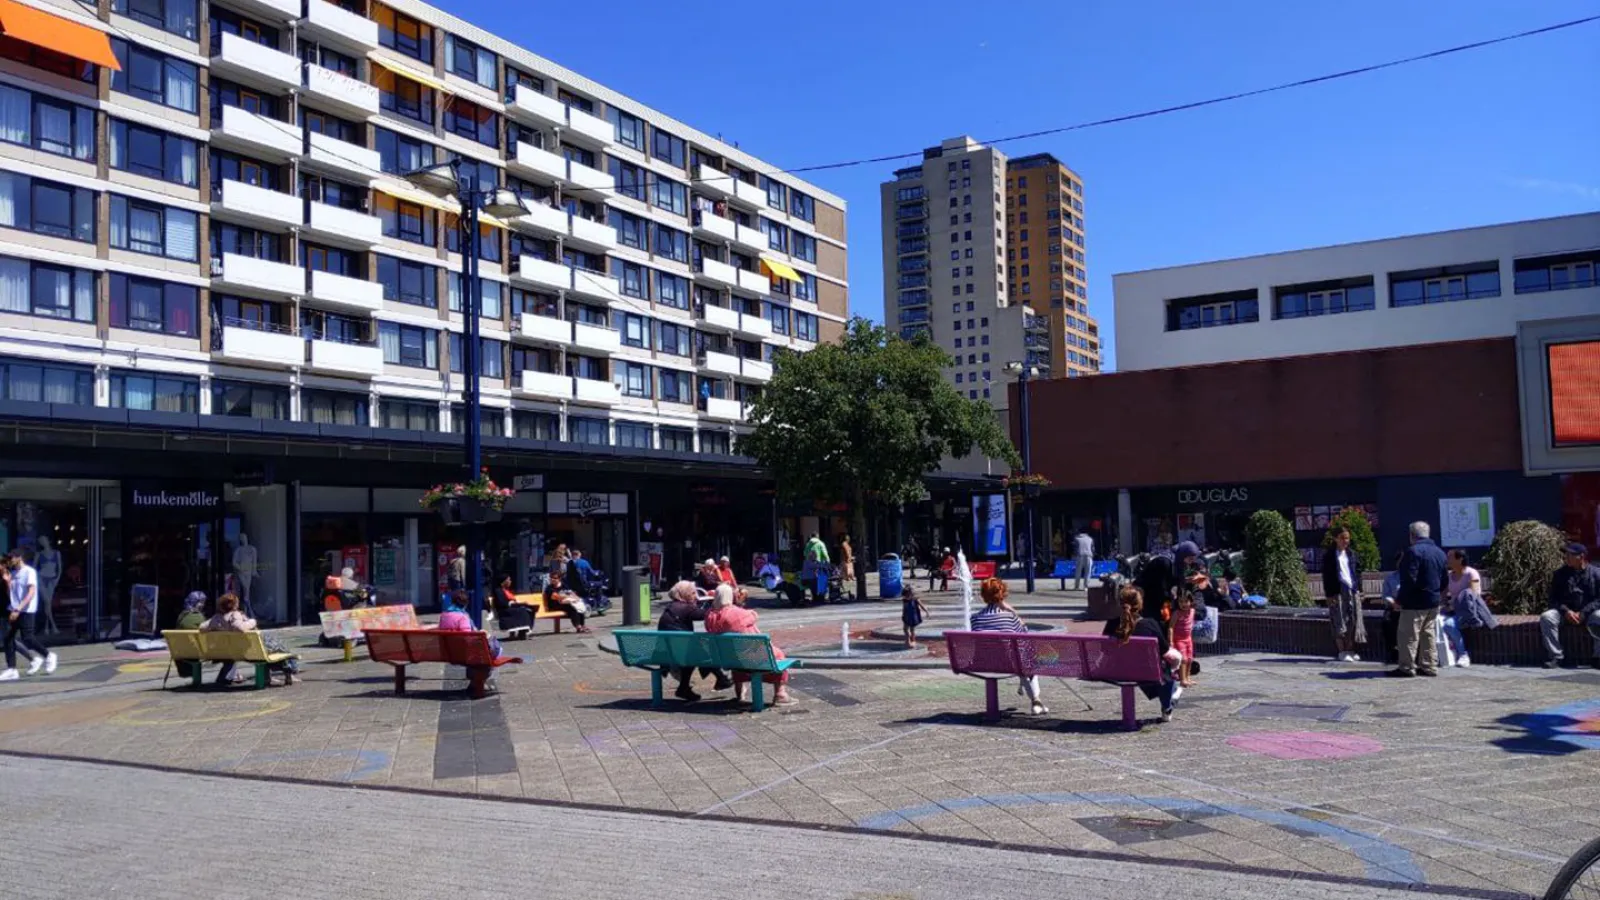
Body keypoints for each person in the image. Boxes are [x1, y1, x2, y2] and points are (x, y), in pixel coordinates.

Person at [704, 584, 794, 705]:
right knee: (777, 654)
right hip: (751, 656)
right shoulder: (736, 614)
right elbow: (753, 615)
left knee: (737, 653)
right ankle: (780, 694)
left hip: (728, 658)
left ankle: (739, 693)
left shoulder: (710, 615)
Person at [970, 577, 1047, 716]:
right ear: (1002, 594)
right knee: (1029, 659)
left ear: (983, 595)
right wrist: (1012, 611)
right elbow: (1024, 636)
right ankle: (1035, 700)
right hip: (1010, 664)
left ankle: (1033, 696)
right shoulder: (1008, 617)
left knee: (1019, 661)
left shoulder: (974, 618)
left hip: (983, 664)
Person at [1103, 585, 1180, 721]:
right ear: (1140, 604)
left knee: (1156, 670)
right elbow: (1165, 650)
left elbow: (1104, 649)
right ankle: (1166, 707)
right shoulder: (1149, 624)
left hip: (1116, 671)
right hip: (1146, 672)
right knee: (1166, 670)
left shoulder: (1111, 624)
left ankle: (1165, 696)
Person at [201, 593, 299, 686]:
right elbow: (238, 627)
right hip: (246, 650)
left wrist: (218, 627)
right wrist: (252, 622)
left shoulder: (216, 618)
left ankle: (269, 677)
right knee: (279, 647)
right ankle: (289, 669)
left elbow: (202, 627)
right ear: (234, 604)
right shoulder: (235, 615)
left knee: (268, 648)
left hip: (230, 651)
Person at [1390, 521, 1448, 678]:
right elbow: (1444, 580)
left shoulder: (1413, 552)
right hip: (1433, 601)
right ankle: (1429, 665)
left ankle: (1407, 667)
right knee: (1428, 633)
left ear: (1411, 535)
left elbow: (1409, 579)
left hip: (1415, 601)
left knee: (1408, 635)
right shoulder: (1440, 553)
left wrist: (1400, 600)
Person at [657, 580, 731, 700]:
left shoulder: (670, 607)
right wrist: (716, 601)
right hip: (680, 654)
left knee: (697, 648)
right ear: (684, 594)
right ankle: (721, 678)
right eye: (692, 593)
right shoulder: (686, 608)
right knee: (705, 646)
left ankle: (685, 687)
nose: (695, 596)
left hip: (666, 654)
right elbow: (706, 615)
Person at [1542, 542, 1600, 669]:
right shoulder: (1559, 574)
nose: (1566, 557)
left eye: (1570, 555)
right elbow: (1553, 599)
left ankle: (1597, 657)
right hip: (1566, 612)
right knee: (1547, 617)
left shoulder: (1596, 573)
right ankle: (1556, 656)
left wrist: (1584, 612)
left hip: (1589, 613)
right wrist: (1566, 611)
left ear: (1582, 556)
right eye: (1566, 554)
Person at [1, 551, 55, 681]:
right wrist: (8, 583)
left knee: (28, 638)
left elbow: (31, 592)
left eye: (11, 558)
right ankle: (12, 669)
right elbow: (12, 595)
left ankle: (48, 655)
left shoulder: (29, 571)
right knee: (8, 638)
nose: (9, 560)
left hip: (26, 610)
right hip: (14, 610)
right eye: (8, 558)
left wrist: (19, 609)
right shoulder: (13, 574)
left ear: (19, 557)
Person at [1321, 526, 1367, 663]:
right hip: (1337, 590)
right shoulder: (1329, 556)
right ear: (1336, 539)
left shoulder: (1352, 554)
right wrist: (1329, 595)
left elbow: (1357, 572)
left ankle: (1350, 649)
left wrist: (1360, 589)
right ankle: (1341, 651)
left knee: (1353, 619)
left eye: (1347, 538)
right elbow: (1327, 576)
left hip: (1351, 589)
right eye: (1342, 538)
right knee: (1339, 620)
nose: (1345, 541)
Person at [1441, 550, 1487, 668]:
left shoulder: (1471, 573)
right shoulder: (1449, 576)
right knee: (1435, 621)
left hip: (1470, 610)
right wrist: (1445, 604)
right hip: (1453, 609)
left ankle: (1463, 655)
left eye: (1450, 558)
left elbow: (1474, 595)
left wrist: (1456, 606)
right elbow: (1444, 595)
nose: (1448, 560)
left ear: (1459, 559)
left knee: (1449, 625)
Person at [1134, 541, 1200, 621]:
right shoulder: (1164, 562)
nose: (1191, 561)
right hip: (1148, 597)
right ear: (1182, 555)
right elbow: (1159, 588)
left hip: (1158, 598)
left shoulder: (1178, 563)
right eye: (1190, 558)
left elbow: (1178, 582)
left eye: (1193, 559)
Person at [436, 590, 507, 660]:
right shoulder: (462, 617)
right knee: (489, 638)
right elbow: (467, 638)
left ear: (452, 602)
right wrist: (480, 635)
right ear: (466, 604)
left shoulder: (444, 615)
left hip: (448, 651)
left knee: (483, 633)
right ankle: (496, 651)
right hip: (463, 652)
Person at [1172, 578, 1200, 687]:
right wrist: (1171, 641)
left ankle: (1188, 677)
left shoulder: (1192, 611)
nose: (1183, 604)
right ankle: (1182, 679)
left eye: (1186, 601)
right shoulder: (1177, 613)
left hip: (1188, 639)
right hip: (1178, 639)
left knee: (1189, 658)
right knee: (1183, 659)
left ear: (1191, 602)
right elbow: (1171, 627)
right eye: (1181, 602)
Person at [901, 585, 928, 649]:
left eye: (907, 595)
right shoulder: (905, 600)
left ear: (911, 594)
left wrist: (926, 611)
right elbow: (904, 608)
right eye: (905, 596)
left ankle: (912, 641)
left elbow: (922, 606)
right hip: (907, 615)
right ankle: (908, 641)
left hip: (913, 616)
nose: (906, 597)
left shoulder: (915, 599)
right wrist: (903, 615)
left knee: (911, 630)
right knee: (906, 629)